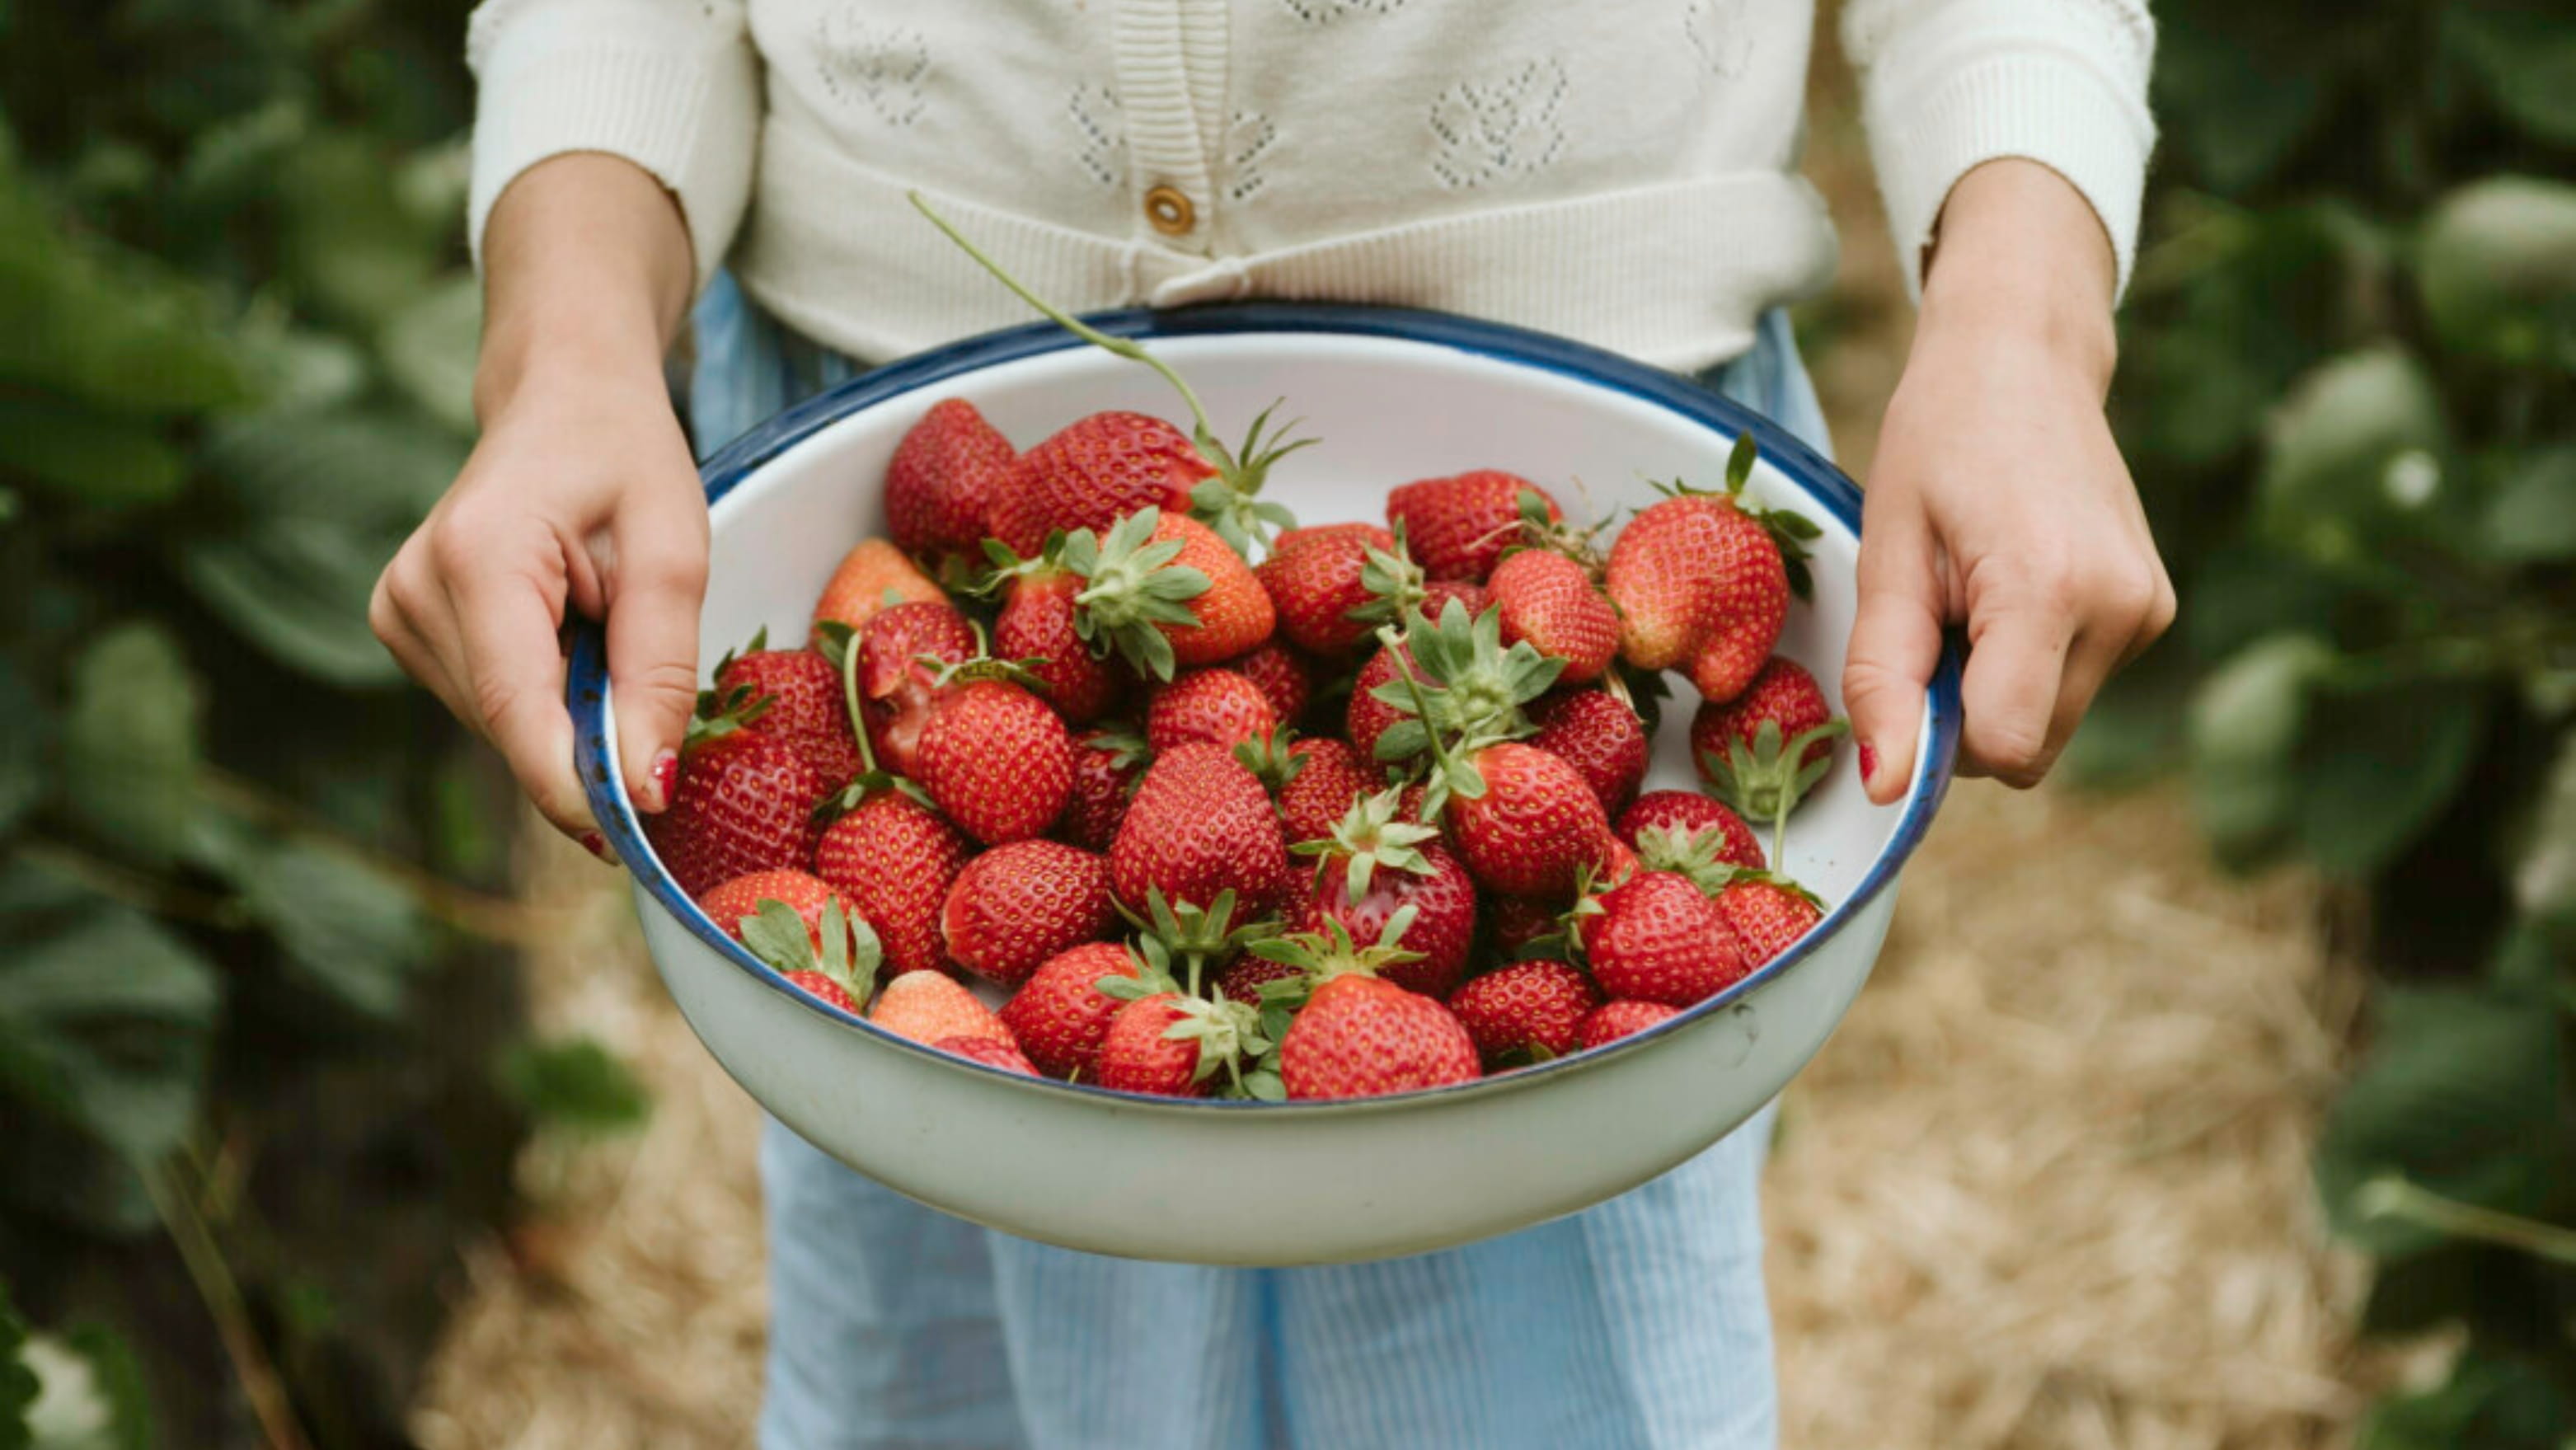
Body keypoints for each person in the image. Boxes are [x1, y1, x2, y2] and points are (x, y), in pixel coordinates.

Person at [373, 2, 2175, 1444]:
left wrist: (2023, 319)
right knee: (968, 1268)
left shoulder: (1597, 642)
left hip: (1590, 465)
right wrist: (570, 341)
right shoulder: (941, 737)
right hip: (910, 498)